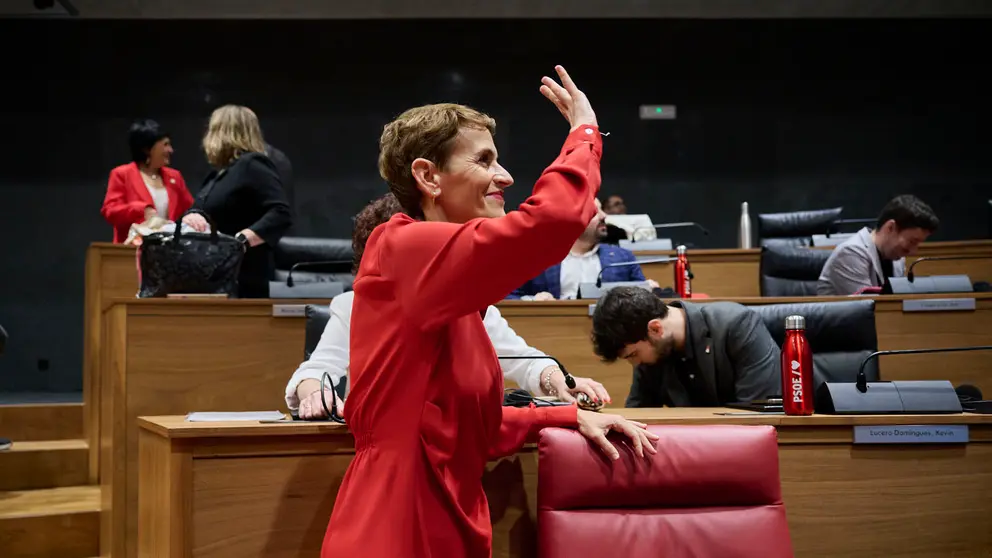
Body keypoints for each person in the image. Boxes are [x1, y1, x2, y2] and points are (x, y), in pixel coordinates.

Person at [321, 66, 658, 558]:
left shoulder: (457, 301)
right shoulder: (398, 246)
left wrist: (565, 418)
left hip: (454, 518)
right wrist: (584, 133)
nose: (505, 175)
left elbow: (471, 431)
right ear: (428, 176)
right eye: (484, 160)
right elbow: (554, 220)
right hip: (395, 522)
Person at [286, 193, 612, 419]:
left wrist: (559, 380)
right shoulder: (351, 305)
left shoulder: (471, 301)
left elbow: (524, 361)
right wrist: (316, 393)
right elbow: (315, 372)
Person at [591, 286, 780, 408]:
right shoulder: (650, 353)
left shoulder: (737, 325)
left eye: (633, 355)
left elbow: (759, 412)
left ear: (655, 328)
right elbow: (639, 414)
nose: (635, 363)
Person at [183, 105, 293, 298]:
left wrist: (242, 240)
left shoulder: (253, 164)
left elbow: (280, 213)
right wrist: (193, 215)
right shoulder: (216, 175)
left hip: (243, 280)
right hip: (213, 276)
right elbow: (198, 208)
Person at [507, 198, 657, 300]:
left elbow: (643, 304)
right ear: (571, 218)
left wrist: (647, 290)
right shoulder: (537, 258)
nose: (604, 216)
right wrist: (533, 300)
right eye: (594, 212)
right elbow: (507, 296)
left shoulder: (623, 258)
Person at [817, 194, 939, 296]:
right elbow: (868, 309)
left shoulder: (897, 259)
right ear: (890, 227)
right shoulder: (850, 253)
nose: (913, 251)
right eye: (912, 241)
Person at [100, 119, 194, 243]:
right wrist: (140, 210)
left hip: (170, 254)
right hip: (132, 253)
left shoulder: (175, 177)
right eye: (165, 145)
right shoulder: (122, 174)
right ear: (147, 149)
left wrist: (194, 217)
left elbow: (190, 210)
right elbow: (110, 212)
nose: (170, 150)